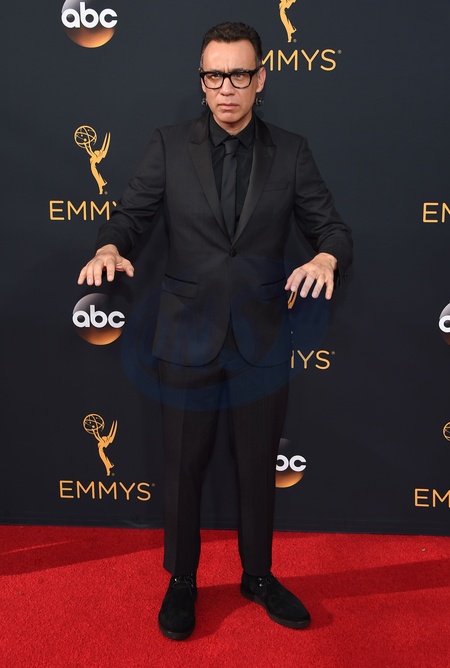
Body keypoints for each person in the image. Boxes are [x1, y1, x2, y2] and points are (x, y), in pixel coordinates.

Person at [78, 21, 352, 640]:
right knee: (182, 467)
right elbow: (129, 216)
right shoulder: (169, 145)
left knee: (258, 467)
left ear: (260, 79)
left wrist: (325, 258)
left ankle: (258, 576)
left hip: (261, 337)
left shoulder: (292, 151)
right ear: (201, 81)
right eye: (214, 75)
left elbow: (332, 228)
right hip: (185, 336)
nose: (226, 88)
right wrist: (109, 247)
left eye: (238, 74)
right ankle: (182, 580)